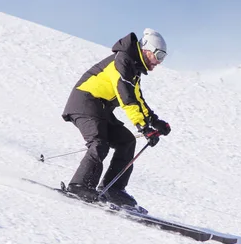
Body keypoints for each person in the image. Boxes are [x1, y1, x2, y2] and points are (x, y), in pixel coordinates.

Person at [61, 28, 171, 206]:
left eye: (163, 58)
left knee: (127, 141)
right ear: (146, 49)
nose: (159, 62)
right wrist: (143, 127)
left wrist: (154, 121)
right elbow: (126, 98)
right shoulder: (122, 62)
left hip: (100, 108)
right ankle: (80, 186)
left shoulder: (132, 67)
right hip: (85, 101)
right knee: (99, 143)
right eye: (158, 55)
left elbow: (137, 99)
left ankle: (114, 189)